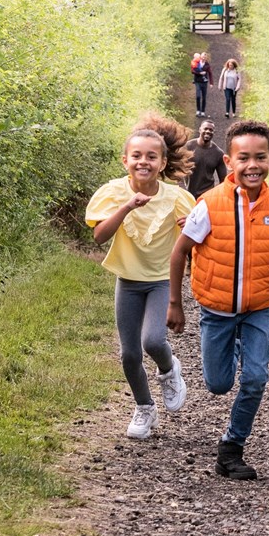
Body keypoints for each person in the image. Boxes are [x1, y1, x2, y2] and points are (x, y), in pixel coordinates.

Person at [167, 119, 269, 481]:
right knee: (217, 384)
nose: (252, 165)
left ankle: (231, 447)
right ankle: (236, 348)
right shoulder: (210, 205)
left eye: (260, 157)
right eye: (243, 158)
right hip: (217, 310)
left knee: (256, 378)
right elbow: (180, 253)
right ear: (228, 162)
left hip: (259, 309)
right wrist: (175, 303)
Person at [86, 114, 196, 440]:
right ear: (125, 160)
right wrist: (126, 208)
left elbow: (198, 237)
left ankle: (168, 369)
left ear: (162, 163)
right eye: (136, 156)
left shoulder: (176, 198)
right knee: (129, 353)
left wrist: (189, 229)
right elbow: (99, 237)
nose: (143, 162)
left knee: (153, 341)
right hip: (128, 281)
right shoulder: (112, 193)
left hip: (162, 279)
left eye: (151, 156)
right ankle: (145, 408)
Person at [186, 119, 226, 198]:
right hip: (188, 194)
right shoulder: (188, 147)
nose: (208, 131)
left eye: (211, 130)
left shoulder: (218, 153)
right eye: (205, 129)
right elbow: (178, 169)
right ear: (200, 130)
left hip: (207, 196)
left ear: (213, 132)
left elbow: (223, 181)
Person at [191, 51, 213, 117]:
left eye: (205, 57)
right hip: (197, 81)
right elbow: (192, 71)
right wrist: (199, 73)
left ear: (206, 58)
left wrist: (211, 83)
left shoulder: (207, 65)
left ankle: (203, 111)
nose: (203, 58)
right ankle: (198, 110)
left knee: (204, 97)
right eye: (202, 57)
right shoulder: (197, 63)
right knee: (198, 96)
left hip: (204, 82)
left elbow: (210, 73)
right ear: (201, 57)